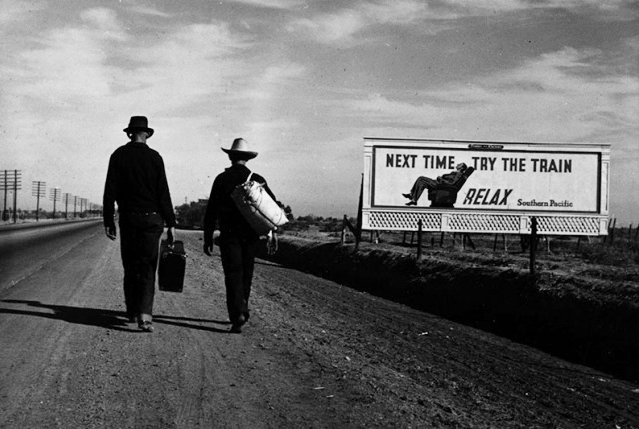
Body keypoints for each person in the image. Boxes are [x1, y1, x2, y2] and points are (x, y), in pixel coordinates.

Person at [103, 116, 176, 332]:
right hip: (152, 219)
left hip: (129, 218)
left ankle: (132, 310)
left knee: (130, 265)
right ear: (147, 134)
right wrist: (171, 222)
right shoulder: (155, 157)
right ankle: (145, 315)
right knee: (147, 266)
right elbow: (163, 192)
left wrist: (109, 220)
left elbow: (110, 190)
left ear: (129, 133)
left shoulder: (118, 155)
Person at [203, 138, 279, 333]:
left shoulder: (221, 179)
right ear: (247, 158)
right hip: (251, 236)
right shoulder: (257, 178)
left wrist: (208, 236)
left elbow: (211, 210)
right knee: (246, 274)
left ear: (230, 156)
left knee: (232, 275)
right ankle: (242, 308)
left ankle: (238, 313)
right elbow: (272, 205)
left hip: (229, 235)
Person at [403, 163, 469, 205]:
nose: (458, 164)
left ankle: (412, 195)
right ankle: (414, 199)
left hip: (439, 185)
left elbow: (451, 183)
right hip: (438, 184)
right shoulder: (455, 173)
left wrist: (440, 179)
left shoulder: (458, 174)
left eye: (460, 164)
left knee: (421, 178)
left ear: (462, 167)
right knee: (421, 183)